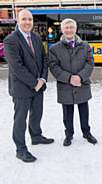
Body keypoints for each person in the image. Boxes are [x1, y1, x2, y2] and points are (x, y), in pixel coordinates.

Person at [3, 9, 54, 163]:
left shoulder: (37, 38)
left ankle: (36, 136)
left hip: (38, 86)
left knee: (36, 114)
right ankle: (20, 149)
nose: (27, 22)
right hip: (22, 88)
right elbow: (16, 67)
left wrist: (43, 80)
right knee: (20, 119)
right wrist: (34, 82)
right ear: (18, 21)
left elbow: (45, 60)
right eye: (24, 19)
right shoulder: (10, 40)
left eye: (30, 20)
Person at [48, 18, 97, 146]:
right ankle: (68, 135)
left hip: (82, 84)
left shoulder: (85, 46)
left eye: (71, 27)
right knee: (67, 113)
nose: (69, 30)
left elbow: (90, 63)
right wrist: (69, 78)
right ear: (62, 30)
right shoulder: (54, 48)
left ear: (76, 29)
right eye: (66, 27)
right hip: (65, 86)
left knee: (84, 111)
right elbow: (54, 67)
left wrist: (80, 77)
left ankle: (86, 132)